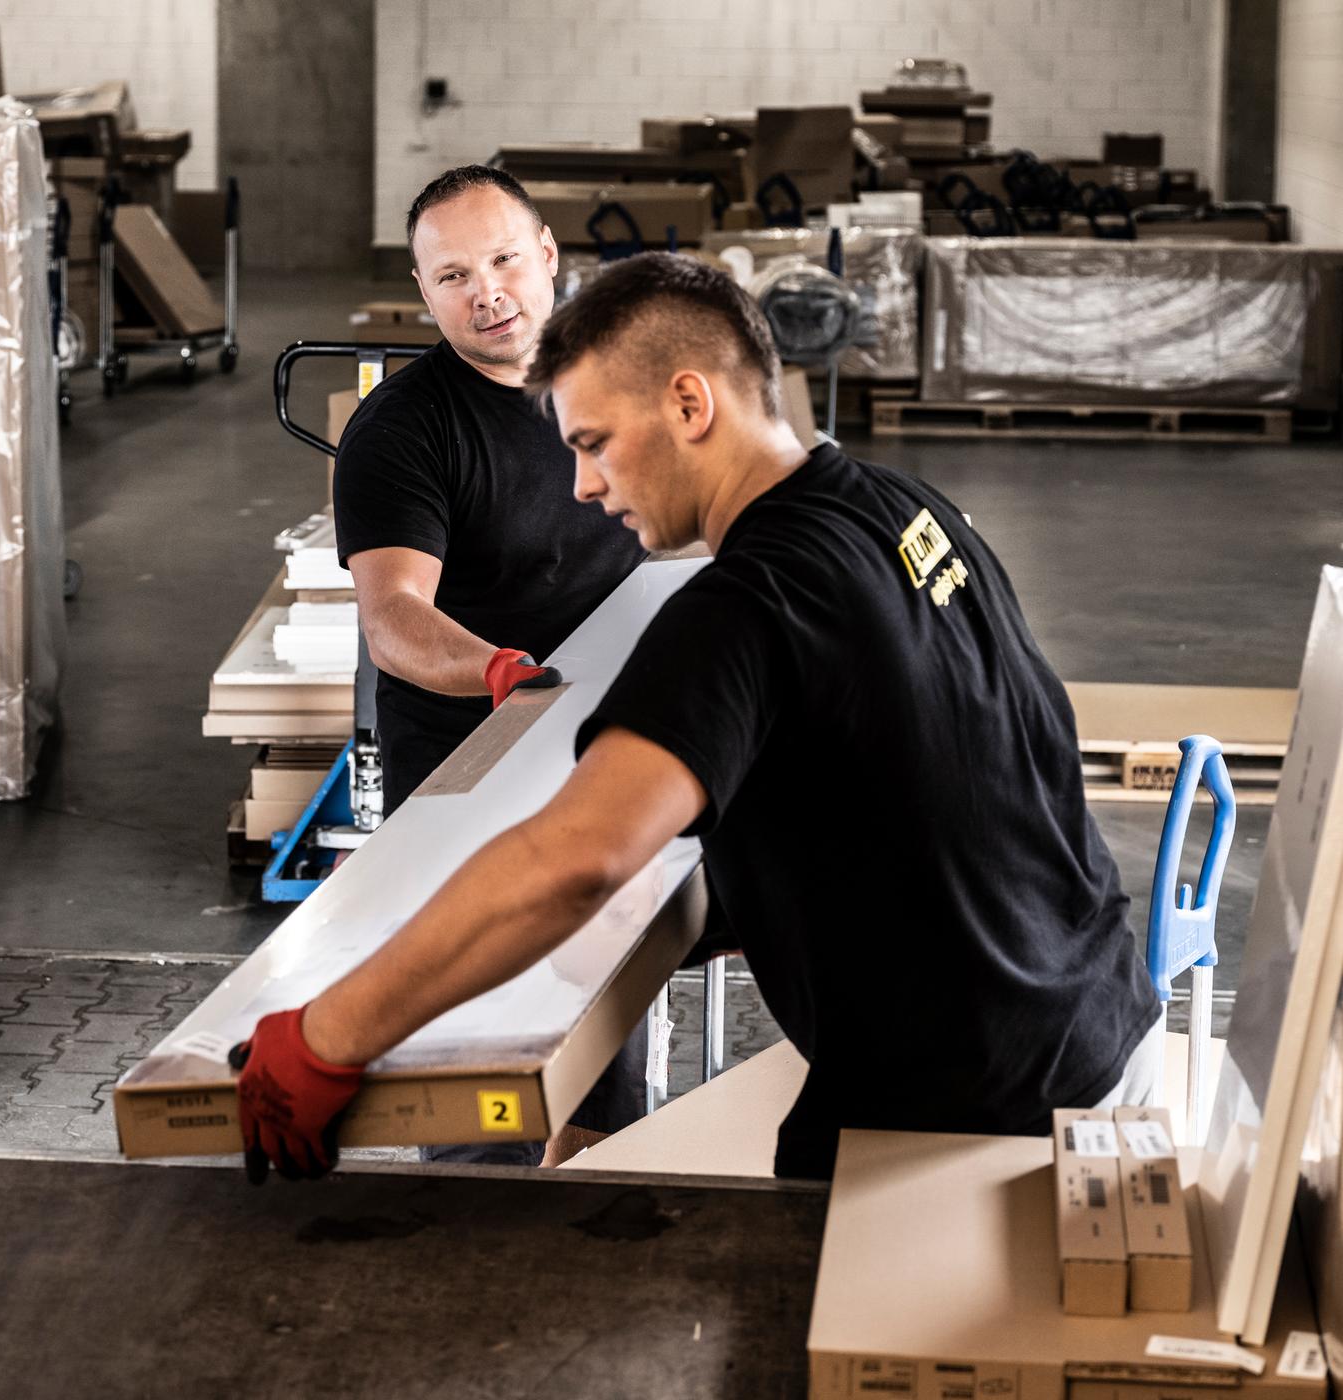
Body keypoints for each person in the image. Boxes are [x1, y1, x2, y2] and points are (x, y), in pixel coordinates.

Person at [234, 252, 1160, 1184]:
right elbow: (978, 752)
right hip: (1095, 1018)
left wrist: (327, 1036)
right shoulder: (907, 510)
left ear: (689, 404)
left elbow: (574, 858)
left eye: (593, 442)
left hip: (961, 1118)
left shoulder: (744, 603)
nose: (584, 486)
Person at [330, 166, 647, 1167]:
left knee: (604, 1050)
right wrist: (506, 675)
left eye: (504, 258)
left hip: (602, 758)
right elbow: (393, 618)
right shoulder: (403, 430)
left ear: (547, 254)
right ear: (425, 294)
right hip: (467, 780)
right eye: (455, 274)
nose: (489, 290)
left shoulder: (612, 384)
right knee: (479, 1083)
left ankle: (595, 1220)